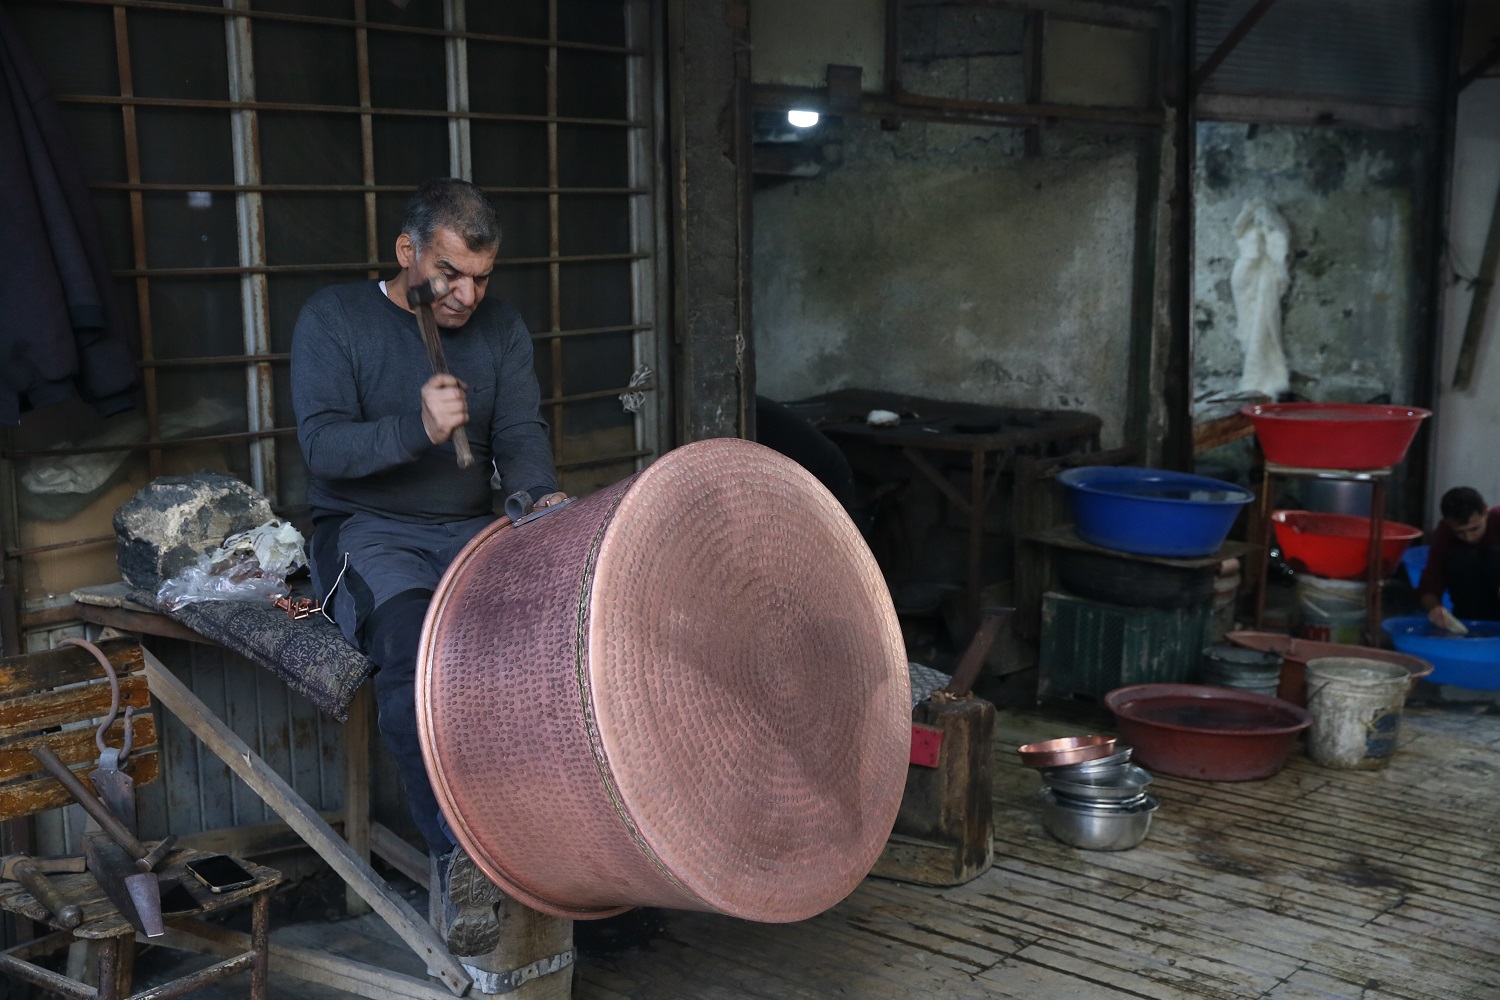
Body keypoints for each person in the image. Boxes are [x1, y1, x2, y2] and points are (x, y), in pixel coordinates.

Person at [291, 178, 566, 965]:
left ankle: (548, 842)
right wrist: (417, 425)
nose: (468, 295)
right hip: (369, 534)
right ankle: (459, 861)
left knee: (547, 642)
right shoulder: (335, 319)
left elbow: (519, 433)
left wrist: (539, 500)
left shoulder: (501, 328)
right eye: (448, 273)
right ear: (408, 252)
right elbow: (325, 449)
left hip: (470, 531)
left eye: (482, 276)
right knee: (417, 656)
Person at [1416, 486, 1500, 625]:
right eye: (1460, 532)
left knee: (1495, 555)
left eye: (1475, 529)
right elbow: (1429, 585)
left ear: (1486, 512)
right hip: (1470, 611)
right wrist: (1435, 608)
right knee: (1461, 557)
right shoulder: (1444, 534)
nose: (1469, 537)